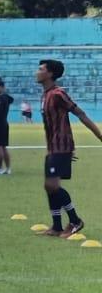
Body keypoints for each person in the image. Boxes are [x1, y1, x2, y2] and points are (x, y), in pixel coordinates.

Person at [35, 58, 102, 238]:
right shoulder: (45, 95)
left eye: (40, 69)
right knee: (49, 186)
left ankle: (75, 220)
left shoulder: (58, 94)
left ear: (50, 74)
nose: (37, 71)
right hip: (53, 148)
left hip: (61, 147)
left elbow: (80, 113)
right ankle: (56, 226)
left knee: (52, 184)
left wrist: (100, 136)